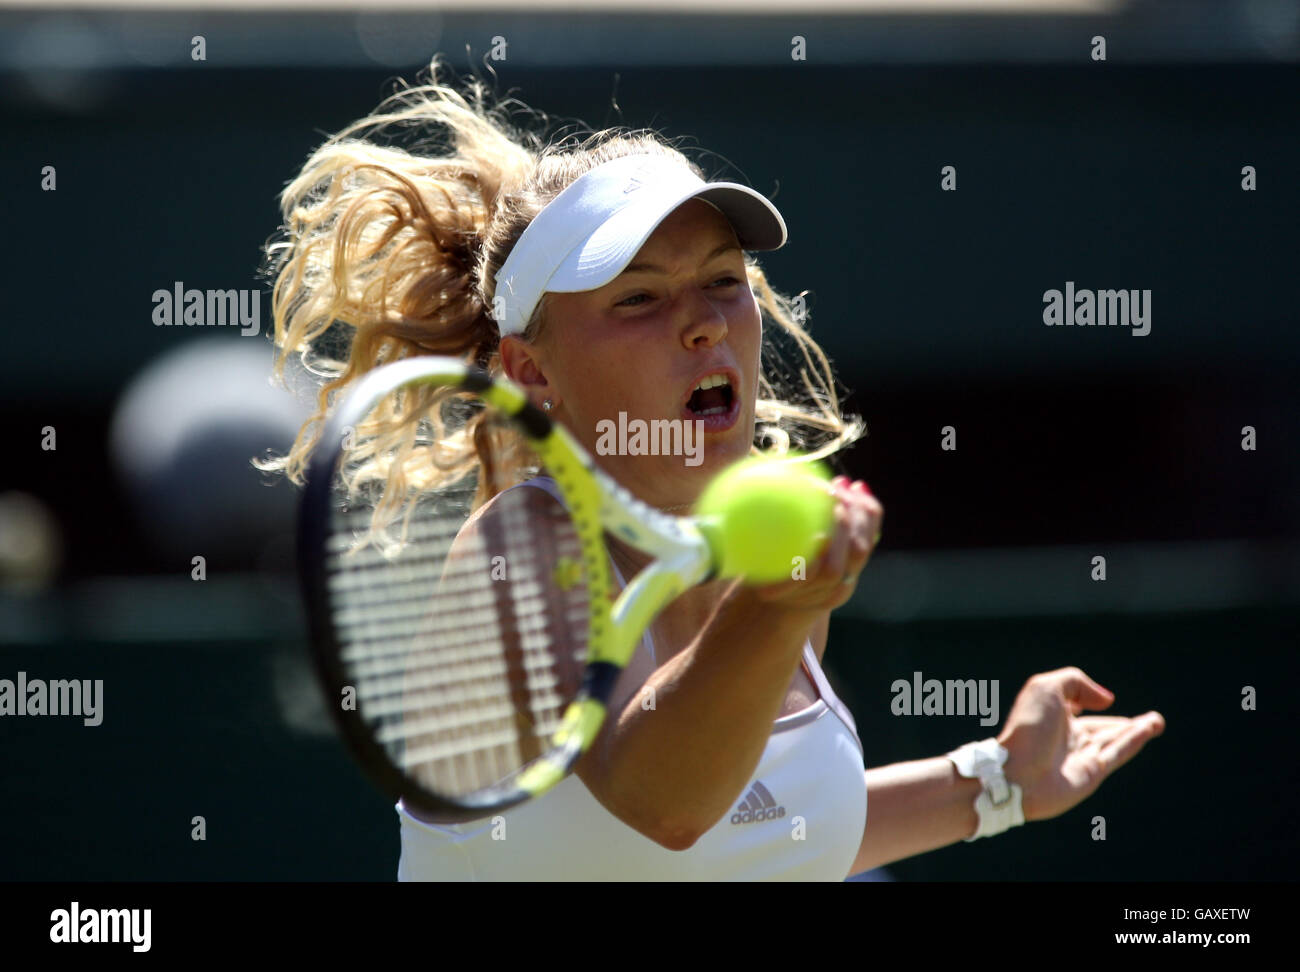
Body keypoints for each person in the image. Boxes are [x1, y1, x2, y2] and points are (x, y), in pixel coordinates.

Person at [262, 57, 1166, 880]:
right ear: (532, 374)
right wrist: (775, 603)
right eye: (640, 297)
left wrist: (997, 781)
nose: (703, 323)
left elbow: (776, 834)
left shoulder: (758, 570)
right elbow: (666, 807)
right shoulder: (523, 549)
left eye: (723, 281)